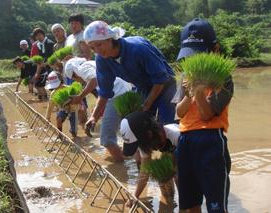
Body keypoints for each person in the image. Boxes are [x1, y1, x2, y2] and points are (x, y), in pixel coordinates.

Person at [175, 18, 233, 213]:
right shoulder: (186, 76)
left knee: (216, 206)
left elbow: (207, 115)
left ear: (215, 49)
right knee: (190, 203)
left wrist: (199, 92)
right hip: (185, 140)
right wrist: (190, 93)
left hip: (211, 140)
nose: (192, 62)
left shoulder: (222, 77)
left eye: (198, 55)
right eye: (189, 56)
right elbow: (179, 113)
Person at [83, 20, 176, 133]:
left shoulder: (138, 49)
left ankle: (171, 148)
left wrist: (147, 104)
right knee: (140, 128)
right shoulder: (102, 59)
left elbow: (161, 78)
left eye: (99, 44)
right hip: (143, 87)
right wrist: (94, 116)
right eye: (92, 48)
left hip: (166, 84)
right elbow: (104, 91)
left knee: (166, 127)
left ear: (110, 39)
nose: (97, 51)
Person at [64, 57, 132, 161]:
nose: (77, 80)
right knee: (130, 130)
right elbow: (102, 91)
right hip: (126, 91)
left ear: (74, 73)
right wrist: (95, 113)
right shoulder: (92, 63)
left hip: (116, 95)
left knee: (106, 139)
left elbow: (94, 80)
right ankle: (129, 157)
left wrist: (80, 97)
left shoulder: (82, 68)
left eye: (75, 78)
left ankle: (121, 168)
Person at [120, 111, 180, 208]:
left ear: (149, 134)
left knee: (179, 179)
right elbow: (144, 172)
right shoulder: (146, 143)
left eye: (138, 144)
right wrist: (135, 197)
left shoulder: (177, 136)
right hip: (169, 152)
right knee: (162, 175)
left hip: (189, 158)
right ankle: (170, 205)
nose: (139, 148)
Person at [45, 71, 78, 138]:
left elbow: (78, 100)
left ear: (61, 81)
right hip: (63, 109)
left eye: (57, 85)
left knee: (74, 132)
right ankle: (60, 134)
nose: (56, 88)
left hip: (73, 109)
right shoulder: (53, 93)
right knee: (59, 118)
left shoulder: (69, 89)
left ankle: (73, 131)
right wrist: (47, 118)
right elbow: (50, 106)